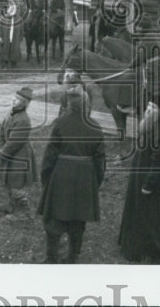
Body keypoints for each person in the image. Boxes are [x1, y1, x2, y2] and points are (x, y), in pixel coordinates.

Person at [39, 86, 105, 263]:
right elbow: (100, 161)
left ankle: (51, 257)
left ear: (68, 104)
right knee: (78, 220)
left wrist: (46, 178)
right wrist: (95, 183)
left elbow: (49, 155)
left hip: (60, 175)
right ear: (86, 105)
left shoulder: (60, 123)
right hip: (85, 178)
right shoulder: (96, 127)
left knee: (53, 219)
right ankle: (72, 257)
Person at [118, 100, 160, 263]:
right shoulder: (148, 125)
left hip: (155, 183)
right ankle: (138, 245)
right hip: (141, 175)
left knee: (153, 217)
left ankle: (153, 251)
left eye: (152, 107)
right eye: (148, 106)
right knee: (140, 212)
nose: (148, 109)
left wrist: (149, 184)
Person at [0, 86, 37, 215]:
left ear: (24, 103)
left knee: (16, 185)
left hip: (19, 156)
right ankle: (11, 205)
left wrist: (3, 152)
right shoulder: (11, 113)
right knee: (7, 181)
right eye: (15, 97)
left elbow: (15, 142)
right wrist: (2, 146)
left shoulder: (23, 120)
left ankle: (24, 212)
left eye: (18, 99)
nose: (14, 100)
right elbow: (2, 132)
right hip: (9, 153)